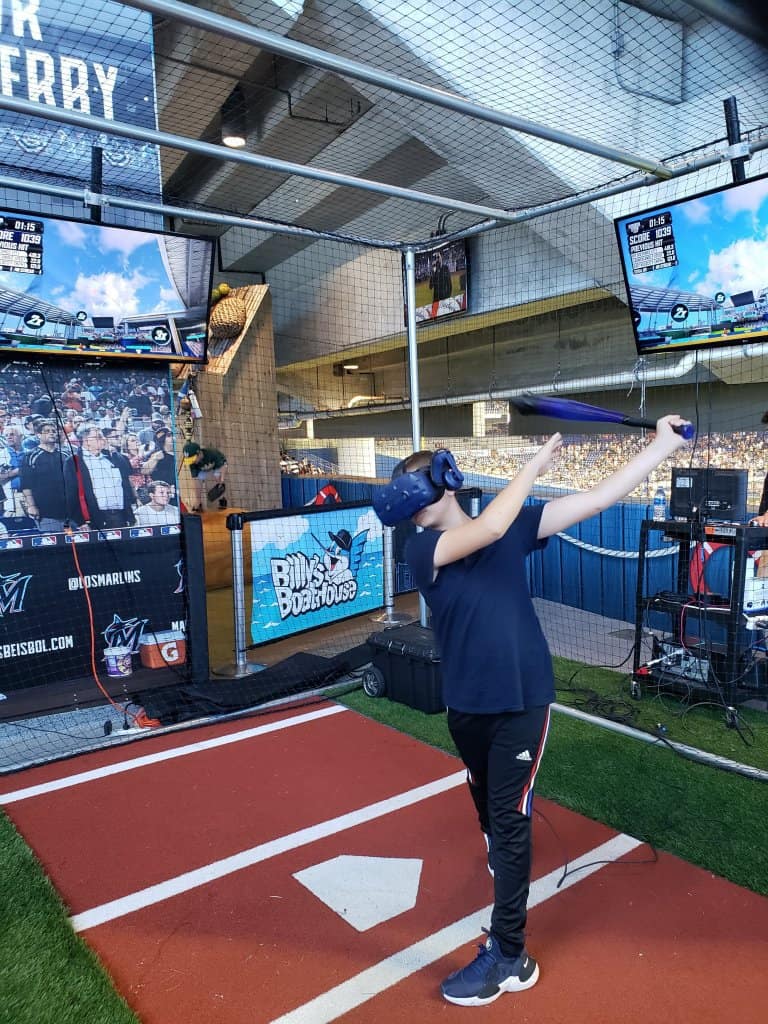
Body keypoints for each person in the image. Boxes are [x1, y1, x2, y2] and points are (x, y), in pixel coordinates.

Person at [373, 414, 691, 1007]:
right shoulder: (424, 547)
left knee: (510, 816)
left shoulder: (512, 525)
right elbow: (486, 530)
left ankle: (510, 955)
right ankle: (498, 844)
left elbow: (599, 497)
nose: (409, 507)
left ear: (443, 484)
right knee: (484, 796)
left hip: (521, 700)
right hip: (464, 702)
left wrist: (661, 446)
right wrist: (531, 469)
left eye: (413, 493)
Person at [63, 424, 136, 530]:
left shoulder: (114, 458)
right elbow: (71, 493)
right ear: (86, 440)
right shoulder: (73, 462)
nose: (103, 439)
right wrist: (81, 521)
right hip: (94, 519)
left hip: (120, 516)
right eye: (98, 437)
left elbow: (126, 485)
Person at [19, 419, 69, 533]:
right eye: (47, 431)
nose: (52, 433)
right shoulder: (30, 456)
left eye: (53, 431)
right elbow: (26, 484)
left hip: (69, 510)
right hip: (45, 511)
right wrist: (31, 506)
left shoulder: (66, 454)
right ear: (38, 435)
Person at [182, 441, 228, 511]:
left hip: (217, 465)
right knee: (198, 480)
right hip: (203, 469)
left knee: (218, 477)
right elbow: (195, 479)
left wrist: (222, 480)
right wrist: (197, 499)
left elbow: (223, 466)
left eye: (193, 459)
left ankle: (222, 499)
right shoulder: (192, 463)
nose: (192, 462)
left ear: (199, 453)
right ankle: (198, 502)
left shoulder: (212, 453)